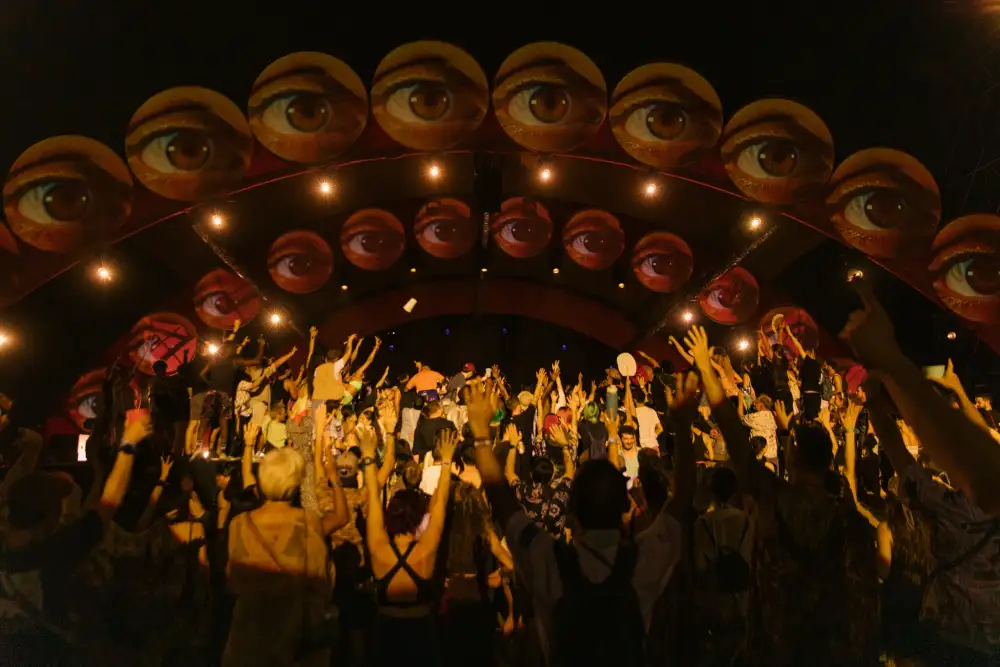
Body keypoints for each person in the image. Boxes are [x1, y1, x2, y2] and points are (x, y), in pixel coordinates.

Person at [223, 446, 349, 667]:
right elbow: (321, 582)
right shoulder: (307, 522)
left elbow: (232, 581)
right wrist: (334, 479)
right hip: (294, 637)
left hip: (249, 637)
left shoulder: (239, 524)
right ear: (295, 483)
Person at [362, 418, 457, 667]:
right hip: (421, 632)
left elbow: (372, 498)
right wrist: (446, 462)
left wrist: (369, 458)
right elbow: (440, 501)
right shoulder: (426, 549)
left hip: (385, 633)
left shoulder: (379, 548)